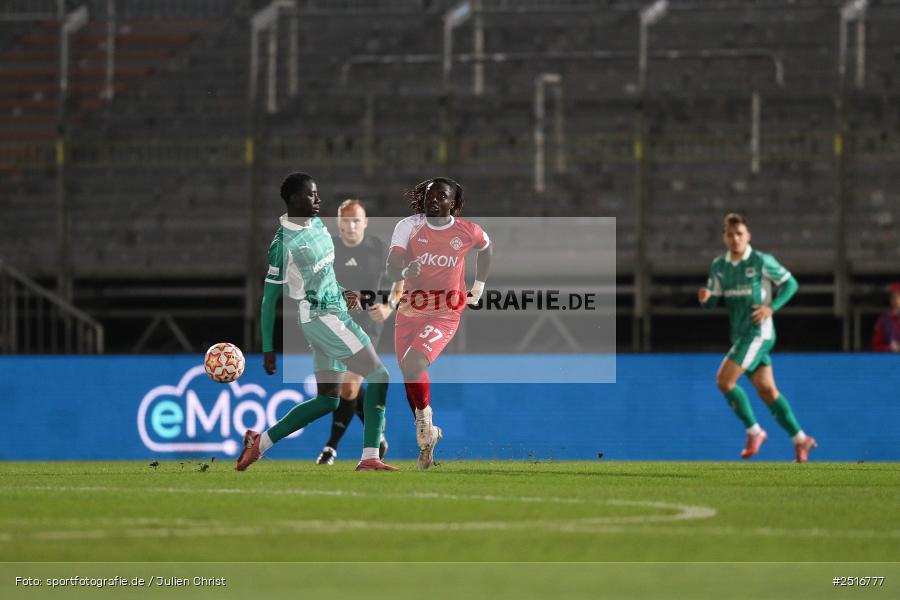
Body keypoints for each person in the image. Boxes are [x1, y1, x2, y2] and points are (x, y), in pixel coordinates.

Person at [236, 172, 397, 472]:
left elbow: (325, 275)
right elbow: (269, 299)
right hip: (323, 317)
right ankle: (371, 455)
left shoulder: (318, 225)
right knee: (379, 375)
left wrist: (343, 293)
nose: (318, 199)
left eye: (317, 193)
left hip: (333, 310)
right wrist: (268, 347)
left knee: (328, 401)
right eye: (311, 194)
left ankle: (259, 443)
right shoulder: (283, 244)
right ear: (294, 199)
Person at [386, 177, 492, 470]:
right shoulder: (408, 226)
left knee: (412, 364)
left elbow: (487, 248)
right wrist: (405, 270)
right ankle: (427, 433)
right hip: (409, 310)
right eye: (430, 195)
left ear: (453, 203)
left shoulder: (467, 231)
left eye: (441, 196)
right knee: (409, 374)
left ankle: (423, 421)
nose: (433, 200)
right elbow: (391, 267)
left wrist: (478, 288)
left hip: (445, 312)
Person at [698, 212, 817, 463]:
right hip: (740, 334)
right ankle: (801, 439)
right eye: (730, 234)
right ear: (724, 237)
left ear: (748, 236)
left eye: (739, 234)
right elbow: (713, 300)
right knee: (767, 391)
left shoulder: (761, 261)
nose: (735, 239)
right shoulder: (719, 266)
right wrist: (706, 300)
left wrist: (771, 308)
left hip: (758, 333)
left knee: (724, 381)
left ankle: (754, 431)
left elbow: (790, 284)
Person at [314, 199, 396, 465]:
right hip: (334, 324)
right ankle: (377, 430)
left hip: (367, 325)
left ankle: (330, 448)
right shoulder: (328, 249)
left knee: (349, 387)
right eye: (346, 221)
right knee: (339, 390)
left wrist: (389, 306)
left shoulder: (379, 248)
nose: (351, 226)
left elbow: (402, 279)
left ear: (365, 222)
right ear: (338, 222)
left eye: (356, 221)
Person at [871, 282, 900, 352]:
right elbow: (876, 346)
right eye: (893, 297)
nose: (895, 300)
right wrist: (890, 348)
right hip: (890, 357)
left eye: (898, 296)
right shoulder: (884, 320)